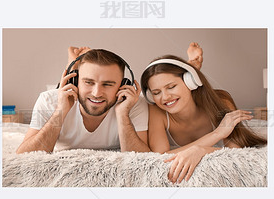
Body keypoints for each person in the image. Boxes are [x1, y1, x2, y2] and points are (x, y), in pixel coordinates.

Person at [140, 42, 267, 183]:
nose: (164, 97)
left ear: (191, 82)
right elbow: (161, 157)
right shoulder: (157, 112)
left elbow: (235, 152)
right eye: (156, 93)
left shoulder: (222, 101)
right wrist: (216, 134)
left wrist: (200, 151)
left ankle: (192, 68)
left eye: (171, 87)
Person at [16, 47, 150, 154]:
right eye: (88, 82)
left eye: (107, 84)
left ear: (123, 85)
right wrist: (61, 111)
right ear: (74, 82)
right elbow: (24, 156)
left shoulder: (134, 103)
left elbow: (141, 158)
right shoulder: (48, 100)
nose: (96, 93)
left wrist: (123, 114)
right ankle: (72, 64)